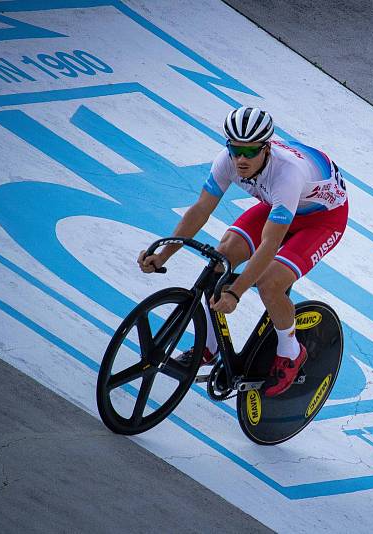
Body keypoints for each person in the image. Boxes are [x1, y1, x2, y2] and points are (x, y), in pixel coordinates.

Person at [137, 106, 348, 397]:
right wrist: (164, 254)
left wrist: (236, 292)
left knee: (270, 283)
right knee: (219, 260)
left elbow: (270, 244)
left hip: (322, 219)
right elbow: (200, 210)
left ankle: (291, 352)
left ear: (267, 149)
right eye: (236, 150)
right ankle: (209, 347)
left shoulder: (287, 175)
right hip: (278, 205)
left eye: (250, 152)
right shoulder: (226, 161)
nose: (241, 159)